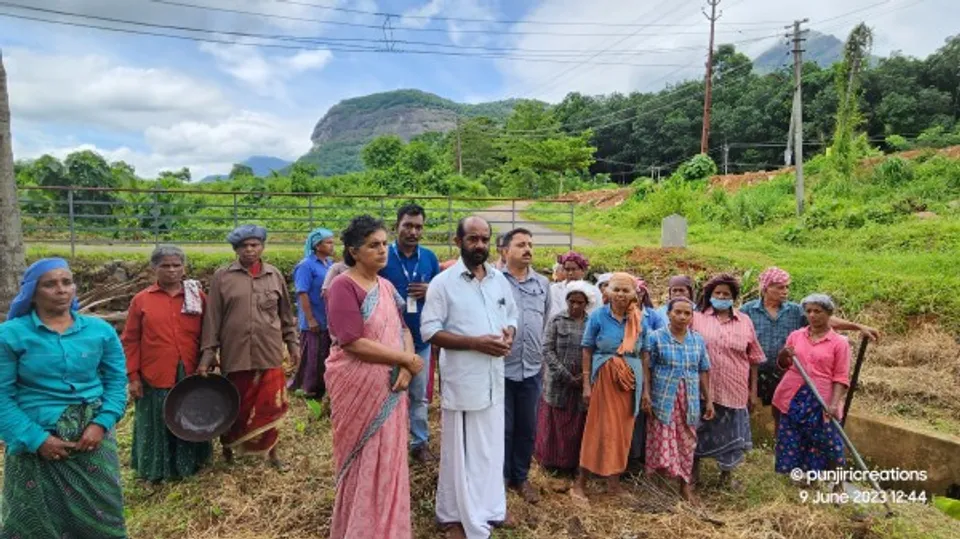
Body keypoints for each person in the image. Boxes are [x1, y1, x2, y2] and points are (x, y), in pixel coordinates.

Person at [0, 258, 127, 538]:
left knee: (101, 516)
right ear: (32, 293)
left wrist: (101, 423)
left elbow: (117, 382)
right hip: (34, 441)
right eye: (50, 284)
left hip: (92, 442)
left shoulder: (100, 331)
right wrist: (36, 439)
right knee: (34, 521)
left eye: (66, 282)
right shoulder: (11, 335)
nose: (61, 289)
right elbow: (1, 395)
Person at [325, 215, 424, 539]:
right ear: (354, 251)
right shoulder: (343, 285)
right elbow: (352, 341)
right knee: (364, 457)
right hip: (359, 387)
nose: (383, 250)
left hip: (392, 387)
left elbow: (403, 329)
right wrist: (405, 359)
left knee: (391, 456)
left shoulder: (386, 286)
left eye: (384, 243)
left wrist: (408, 367)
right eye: (373, 245)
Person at [421, 216, 518, 539]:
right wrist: (475, 343)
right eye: (472, 239)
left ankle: (489, 509)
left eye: (484, 239)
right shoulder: (443, 283)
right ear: (457, 240)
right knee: (460, 451)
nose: (479, 245)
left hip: (494, 379)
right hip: (463, 381)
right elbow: (429, 330)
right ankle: (454, 515)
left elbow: (511, 314)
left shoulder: (498, 280)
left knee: (490, 448)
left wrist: (509, 333)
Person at [199, 224, 299, 468]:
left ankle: (273, 455)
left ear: (262, 246)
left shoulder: (274, 275)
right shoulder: (223, 277)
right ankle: (229, 453)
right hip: (236, 354)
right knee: (236, 405)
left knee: (271, 406)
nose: (250, 250)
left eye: (254, 245)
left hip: (269, 353)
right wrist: (208, 354)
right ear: (236, 249)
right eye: (244, 246)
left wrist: (293, 345)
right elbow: (212, 319)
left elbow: (286, 315)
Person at [740, 267, 878, 428]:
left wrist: (858, 326)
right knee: (746, 407)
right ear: (766, 288)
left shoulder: (795, 310)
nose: (785, 291)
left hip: (784, 370)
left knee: (780, 411)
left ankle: (781, 447)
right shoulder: (748, 310)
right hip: (754, 371)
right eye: (780, 287)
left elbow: (825, 320)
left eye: (787, 287)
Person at [123, 245, 212, 482]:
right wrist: (133, 376)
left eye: (176, 265)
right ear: (154, 268)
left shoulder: (196, 296)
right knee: (157, 418)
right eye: (165, 266)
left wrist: (209, 361)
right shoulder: (142, 301)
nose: (172, 270)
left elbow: (209, 333)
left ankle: (191, 467)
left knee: (189, 416)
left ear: (184, 268)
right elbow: (130, 340)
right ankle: (157, 472)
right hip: (155, 371)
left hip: (190, 369)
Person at [572, 273, 645, 502]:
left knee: (623, 432)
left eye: (626, 290)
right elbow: (587, 349)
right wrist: (586, 384)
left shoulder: (638, 319)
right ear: (607, 292)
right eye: (617, 289)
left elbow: (644, 354)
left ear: (635, 294)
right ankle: (580, 484)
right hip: (604, 378)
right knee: (598, 429)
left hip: (630, 380)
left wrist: (647, 391)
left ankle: (613, 484)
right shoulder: (598, 317)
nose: (621, 295)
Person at [379, 203, 441, 463]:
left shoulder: (429, 258)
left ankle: (419, 441)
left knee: (419, 395)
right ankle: (386, 443)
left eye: (418, 227)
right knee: (386, 393)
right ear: (396, 227)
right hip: (387, 341)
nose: (413, 231)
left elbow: (440, 295)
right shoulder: (383, 257)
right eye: (408, 226)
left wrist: (431, 290)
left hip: (420, 340)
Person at [691, 273, 765, 490]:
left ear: (733, 298)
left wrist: (753, 392)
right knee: (698, 429)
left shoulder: (745, 321)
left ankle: (726, 476)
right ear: (710, 295)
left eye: (726, 294)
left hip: (734, 387)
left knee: (732, 432)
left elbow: (754, 359)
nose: (721, 297)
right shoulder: (697, 318)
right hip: (702, 388)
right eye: (717, 293)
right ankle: (693, 475)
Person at [641, 298, 714, 502]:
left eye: (687, 313)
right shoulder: (655, 337)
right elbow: (647, 367)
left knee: (687, 442)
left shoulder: (697, 340)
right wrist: (646, 394)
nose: (682, 317)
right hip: (663, 398)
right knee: (659, 441)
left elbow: (703, 370)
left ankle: (684, 486)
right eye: (678, 312)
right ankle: (656, 487)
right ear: (668, 314)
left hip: (689, 400)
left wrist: (708, 400)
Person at [773, 294, 850, 477]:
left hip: (821, 400)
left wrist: (833, 404)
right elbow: (784, 365)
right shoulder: (796, 336)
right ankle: (797, 477)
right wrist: (783, 355)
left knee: (829, 442)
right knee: (792, 438)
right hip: (793, 396)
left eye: (818, 311)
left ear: (829, 313)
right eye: (809, 311)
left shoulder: (839, 343)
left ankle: (835, 483)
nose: (813, 315)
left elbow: (841, 377)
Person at [500, 227, 551, 504]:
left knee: (527, 427)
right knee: (503, 427)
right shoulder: (495, 281)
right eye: (520, 244)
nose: (527, 249)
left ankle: (521, 477)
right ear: (505, 251)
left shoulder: (542, 284)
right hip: (501, 368)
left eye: (530, 244)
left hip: (531, 368)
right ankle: (501, 478)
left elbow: (543, 321)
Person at [535, 281, 594, 474]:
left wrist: (584, 376)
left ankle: (571, 465)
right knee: (555, 423)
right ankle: (551, 463)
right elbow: (547, 349)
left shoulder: (591, 323)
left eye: (580, 302)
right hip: (558, 380)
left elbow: (594, 350)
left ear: (587, 303)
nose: (575, 306)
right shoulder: (557, 320)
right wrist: (566, 375)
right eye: (572, 301)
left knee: (576, 423)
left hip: (581, 381)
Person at [289, 227, 336, 399]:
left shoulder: (330, 264)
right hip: (314, 318)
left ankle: (323, 387)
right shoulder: (306, 266)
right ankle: (309, 388)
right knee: (313, 356)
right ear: (317, 245)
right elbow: (302, 292)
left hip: (327, 317)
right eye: (328, 242)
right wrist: (310, 319)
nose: (332, 245)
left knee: (325, 354)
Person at [547, 251, 604, 322]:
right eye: (567, 269)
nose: (570, 273)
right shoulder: (555, 289)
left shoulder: (594, 291)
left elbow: (596, 313)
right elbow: (552, 312)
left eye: (574, 269)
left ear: (583, 271)